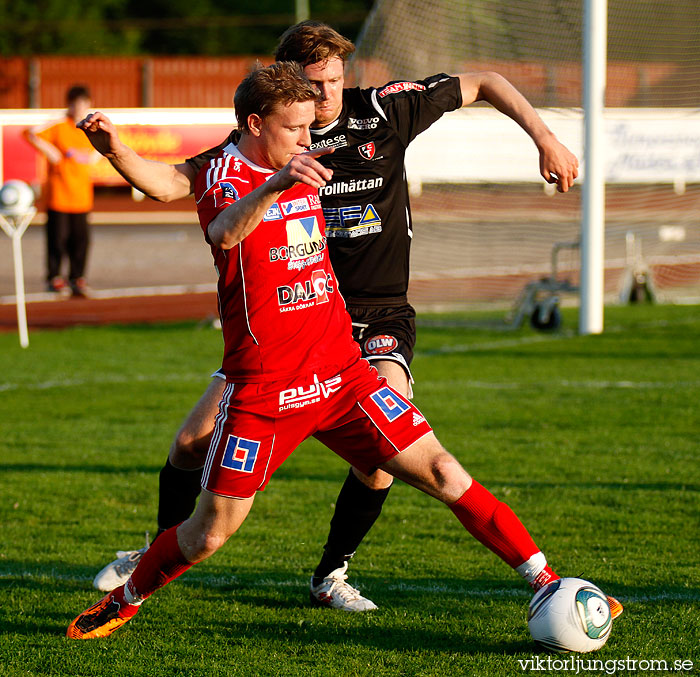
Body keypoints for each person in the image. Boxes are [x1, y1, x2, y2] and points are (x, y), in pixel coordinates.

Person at [67, 61, 619, 640]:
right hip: (265, 391)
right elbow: (220, 230)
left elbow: (470, 87)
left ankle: (548, 583)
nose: (311, 140)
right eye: (297, 128)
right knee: (207, 533)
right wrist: (117, 151)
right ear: (256, 124)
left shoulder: (303, 157)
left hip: (341, 373)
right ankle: (126, 599)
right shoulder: (224, 173)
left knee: (443, 469)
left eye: (312, 127)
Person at [24, 85, 98, 297]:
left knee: (81, 240)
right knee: (57, 239)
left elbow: (103, 150)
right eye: (74, 104)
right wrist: (52, 150)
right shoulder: (59, 127)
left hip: (82, 196)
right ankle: (54, 277)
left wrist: (93, 157)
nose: (79, 108)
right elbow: (30, 133)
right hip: (59, 194)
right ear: (69, 105)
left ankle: (78, 278)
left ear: (89, 104)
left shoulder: (90, 129)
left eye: (83, 103)